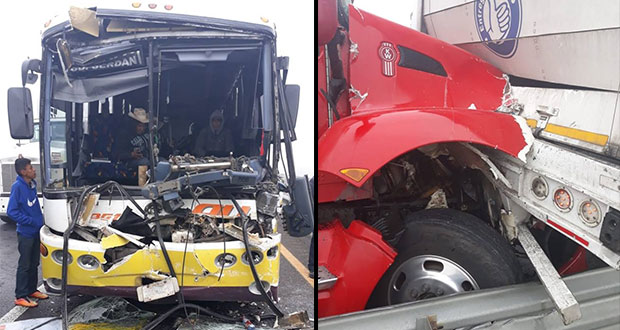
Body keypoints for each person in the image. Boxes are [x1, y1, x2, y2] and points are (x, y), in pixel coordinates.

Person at [7, 157, 49, 307]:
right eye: (30, 168)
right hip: (25, 233)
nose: (34, 169)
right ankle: (20, 296)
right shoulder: (17, 187)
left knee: (34, 263)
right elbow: (11, 211)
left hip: (36, 232)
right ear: (22, 171)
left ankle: (31, 290)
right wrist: (31, 221)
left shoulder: (31, 184)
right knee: (24, 264)